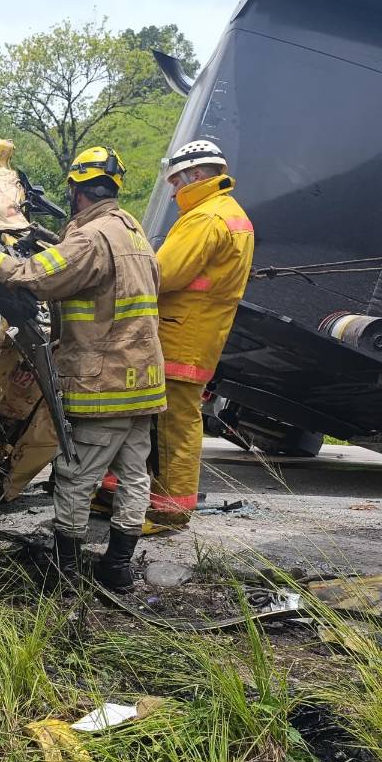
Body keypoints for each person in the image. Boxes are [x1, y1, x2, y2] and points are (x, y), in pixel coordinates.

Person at [0, 146, 166, 590]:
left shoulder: (92, 237)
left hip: (104, 383)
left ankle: (63, 572)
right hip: (142, 382)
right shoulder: (134, 233)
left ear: (77, 192)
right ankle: (117, 568)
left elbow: (33, 276)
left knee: (75, 475)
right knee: (134, 476)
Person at [149, 140, 254, 528]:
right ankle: (124, 495)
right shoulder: (229, 213)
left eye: (175, 181)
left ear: (195, 175)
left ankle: (169, 512)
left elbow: (162, 273)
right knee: (168, 421)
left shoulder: (204, 218)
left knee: (174, 424)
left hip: (179, 335)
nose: (173, 191)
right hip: (198, 336)